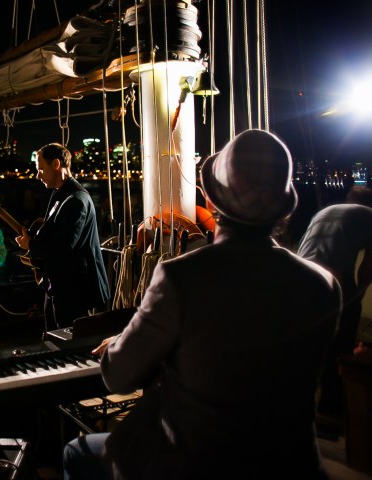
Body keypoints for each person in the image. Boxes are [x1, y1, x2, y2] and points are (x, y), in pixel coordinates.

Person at [62, 129, 342, 479]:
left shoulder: (181, 277)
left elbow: (119, 377)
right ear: (285, 206)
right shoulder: (322, 286)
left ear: (211, 202)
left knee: (78, 452)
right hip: (291, 464)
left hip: (200, 464)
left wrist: (116, 346)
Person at [296, 186, 372, 422]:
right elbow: (368, 267)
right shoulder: (369, 216)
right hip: (333, 275)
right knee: (341, 339)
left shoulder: (328, 210)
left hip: (300, 273)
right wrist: (357, 295)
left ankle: (298, 405)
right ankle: (332, 407)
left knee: (310, 342)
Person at [15, 142, 109, 330]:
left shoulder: (76, 200)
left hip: (74, 292)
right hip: (60, 287)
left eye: (41, 169)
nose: (37, 175)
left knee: (67, 345)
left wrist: (30, 246)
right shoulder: (64, 196)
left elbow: (63, 246)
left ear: (56, 164)